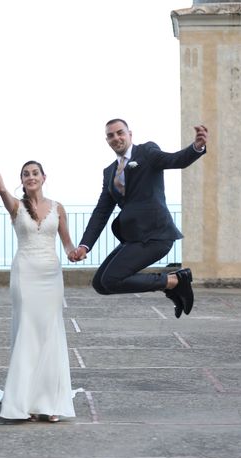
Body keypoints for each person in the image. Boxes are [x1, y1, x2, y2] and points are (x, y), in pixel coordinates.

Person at [69, 119, 208, 318]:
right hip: (134, 238)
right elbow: (101, 212)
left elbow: (174, 160)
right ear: (107, 140)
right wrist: (84, 246)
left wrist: (196, 147)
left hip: (156, 235)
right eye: (111, 135)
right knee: (100, 283)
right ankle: (171, 284)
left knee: (111, 280)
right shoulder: (109, 172)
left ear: (129, 134)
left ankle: (175, 281)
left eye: (120, 133)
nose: (116, 138)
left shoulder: (147, 152)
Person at [0, 138, 76, 423]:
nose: (31, 177)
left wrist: (77, 252)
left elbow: (68, 245)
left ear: (44, 177)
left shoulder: (58, 208)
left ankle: (49, 402)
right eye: (26, 174)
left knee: (50, 333)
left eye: (35, 173)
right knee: (27, 332)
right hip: (25, 274)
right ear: (22, 181)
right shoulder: (15, 206)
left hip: (51, 275)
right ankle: (25, 401)